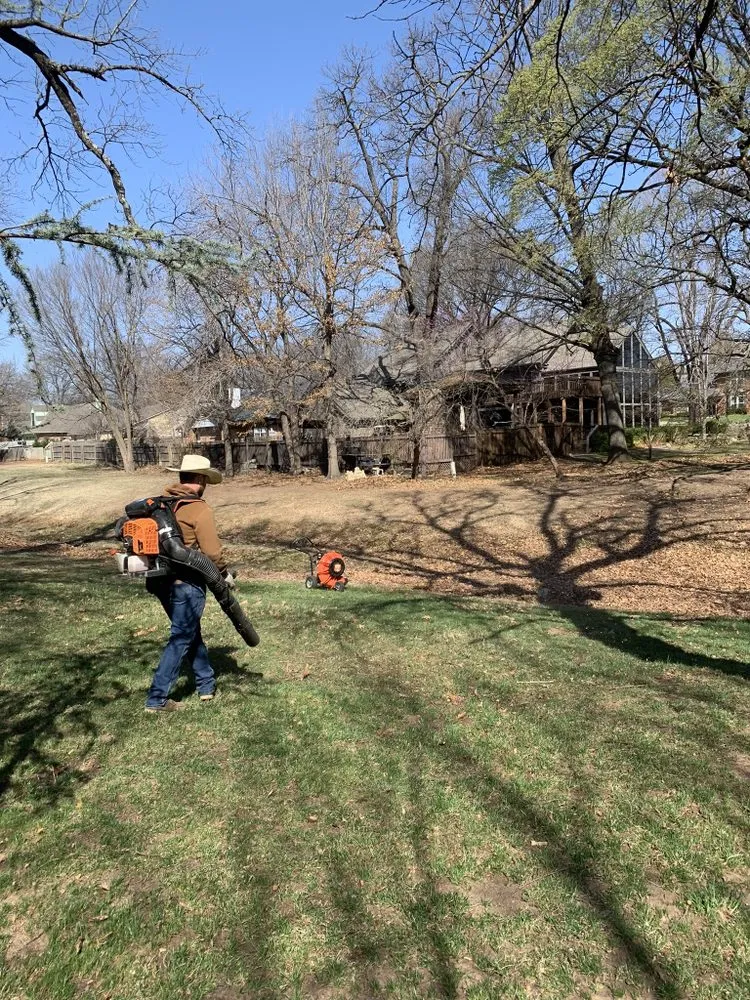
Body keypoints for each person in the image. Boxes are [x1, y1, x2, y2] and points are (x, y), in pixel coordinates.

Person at [144, 454, 234, 713]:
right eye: (204, 478)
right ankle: (157, 699)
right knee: (182, 636)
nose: (206, 484)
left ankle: (206, 685)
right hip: (187, 584)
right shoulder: (199, 508)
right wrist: (224, 574)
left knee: (190, 632)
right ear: (198, 479)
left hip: (160, 582)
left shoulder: (162, 505)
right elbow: (213, 552)